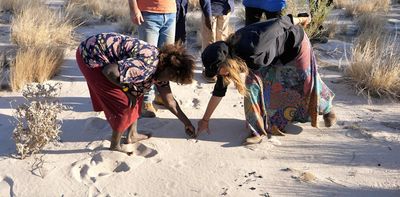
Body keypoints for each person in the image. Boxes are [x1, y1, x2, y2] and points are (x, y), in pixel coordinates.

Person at [198, 15, 336, 144]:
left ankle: (327, 109)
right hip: (269, 56)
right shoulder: (231, 60)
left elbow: (279, 23)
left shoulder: (253, 46)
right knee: (251, 87)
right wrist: (205, 120)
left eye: (216, 72)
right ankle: (257, 132)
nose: (217, 75)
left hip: (295, 46)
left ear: (226, 63)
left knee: (305, 85)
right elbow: (218, 91)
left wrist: (300, 19)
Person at [76, 32, 196, 153]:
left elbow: (170, 102)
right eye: (174, 79)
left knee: (138, 92)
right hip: (91, 55)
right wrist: (127, 90)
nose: (171, 81)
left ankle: (132, 135)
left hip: (104, 54)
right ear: (171, 72)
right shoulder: (146, 66)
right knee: (124, 103)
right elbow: (109, 71)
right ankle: (115, 145)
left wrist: (187, 123)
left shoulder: (162, 66)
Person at [128, 0, 177, 118]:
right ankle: (146, 100)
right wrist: (134, 9)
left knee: (166, 60)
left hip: (170, 12)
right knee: (148, 61)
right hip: (148, 14)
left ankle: (161, 95)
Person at [200, 0, 235, 83]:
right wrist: (207, 14)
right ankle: (210, 70)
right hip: (211, 10)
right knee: (209, 41)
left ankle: (222, 69)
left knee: (221, 43)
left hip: (224, 9)